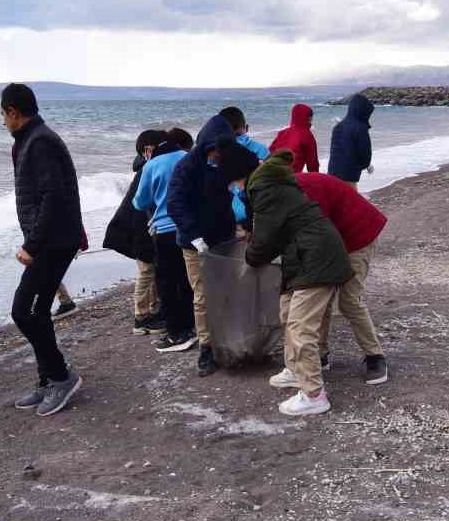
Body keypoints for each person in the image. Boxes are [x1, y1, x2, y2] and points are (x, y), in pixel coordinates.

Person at [242, 151, 354, 417]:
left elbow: (264, 240)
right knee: (287, 312)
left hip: (317, 259)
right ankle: (295, 370)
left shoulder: (267, 192)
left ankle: (314, 394)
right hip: (304, 256)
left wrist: (249, 258)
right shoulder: (279, 186)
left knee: (301, 328)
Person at [1, 83, 85, 416]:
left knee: (23, 310)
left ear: (13, 111)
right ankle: (48, 378)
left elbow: (54, 196)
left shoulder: (40, 142)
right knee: (36, 312)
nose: (2, 121)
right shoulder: (30, 140)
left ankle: (62, 377)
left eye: (3, 114)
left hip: (53, 241)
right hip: (52, 238)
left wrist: (31, 245)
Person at [276, 167, 390, 386]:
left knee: (348, 300)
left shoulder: (305, 191)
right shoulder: (284, 194)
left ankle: (375, 356)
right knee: (321, 297)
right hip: (333, 238)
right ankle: (321, 354)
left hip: (357, 237)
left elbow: (318, 233)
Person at [167, 113, 242, 376]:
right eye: (215, 150)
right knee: (202, 296)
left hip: (224, 237)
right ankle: (206, 349)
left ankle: (229, 340)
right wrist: (193, 234)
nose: (218, 155)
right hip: (194, 243)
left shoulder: (227, 162)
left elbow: (248, 184)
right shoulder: (187, 166)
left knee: (227, 291)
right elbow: (174, 203)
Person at [134, 128, 196, 353]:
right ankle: (192, 327)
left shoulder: (151, 166)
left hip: (165, 230)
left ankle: (176, 334)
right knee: (188, 280)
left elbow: (140, 202)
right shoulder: (189, 158)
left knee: (167, 285)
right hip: (190, 227)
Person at [104, 129, 168, 335]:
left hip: (140, 227)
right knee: (146, 272)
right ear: (148, 150)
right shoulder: (146, 169)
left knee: (149, 271)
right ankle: (141, 318)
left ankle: (151, 312)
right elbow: (140, 205)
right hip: (139, 228)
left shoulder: (146, 167)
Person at [328, 94, 375, 187]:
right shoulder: (361, 128)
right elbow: (365, 153)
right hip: (349, 175)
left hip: (332, 172)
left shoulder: (338, 126)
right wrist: (366, 165)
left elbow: (334, 150)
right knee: (349, 199)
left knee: (335, 199)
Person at [269, 104, 320, 174]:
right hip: (289, 177)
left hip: (271, 172)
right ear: (308, 118)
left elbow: (269, 152)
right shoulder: (307, 135)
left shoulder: (282, 133)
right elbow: (313, 164)